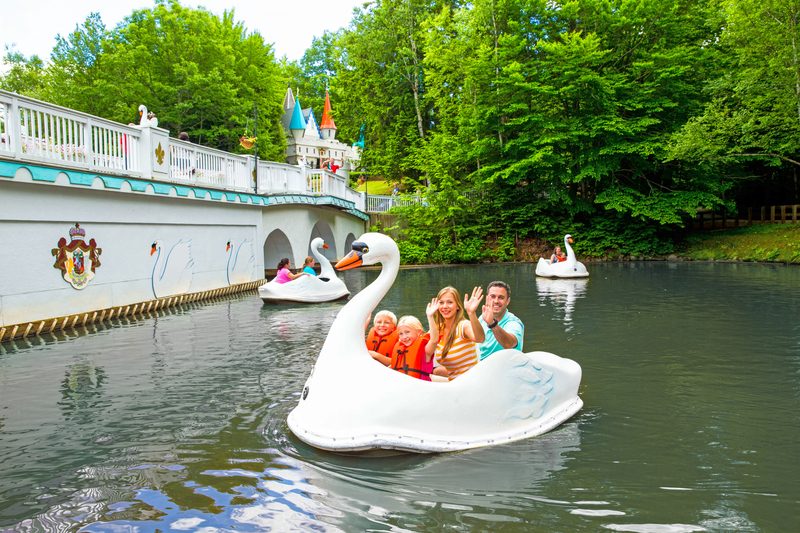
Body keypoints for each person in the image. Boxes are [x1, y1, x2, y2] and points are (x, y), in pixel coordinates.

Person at [425, 286, 485, 380]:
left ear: (457, 306)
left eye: (449, 302)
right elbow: (426, 356)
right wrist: (430, 317)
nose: (445, 306)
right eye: (441, 302)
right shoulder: (437, 329)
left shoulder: (463, 326)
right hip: (453, 383)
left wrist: (471, 313)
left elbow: (480, 338)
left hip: (471, 382)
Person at [478, 280, 525, 361]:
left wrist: (492, 324)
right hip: (483, 368)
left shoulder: (514, 323)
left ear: (508, 301)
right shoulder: (482, 318)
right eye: (492, 296)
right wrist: (471, 313)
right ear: (487, 299)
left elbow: (509, 344)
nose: (496, 301)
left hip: (506, 369)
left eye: (501, 297)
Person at [386, 316, 432, 381]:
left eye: (407, 332)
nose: (404, 337)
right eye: (401, 334)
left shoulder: (425, 349)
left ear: (419, 332)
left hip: (419, 387)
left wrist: (431, 317)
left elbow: (434, 340)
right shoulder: (400, 350)